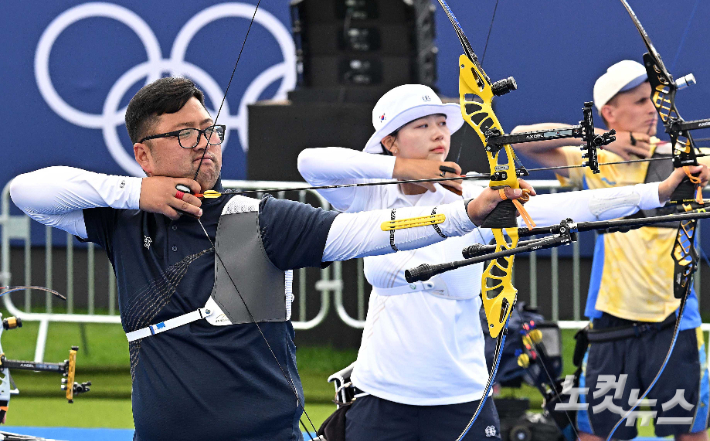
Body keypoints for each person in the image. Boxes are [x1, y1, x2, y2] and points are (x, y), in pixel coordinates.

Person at [9, 77, 535, 441]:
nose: (205, 144)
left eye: (210, 130)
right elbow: (27, 191)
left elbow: (369, 232)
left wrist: (467, 213)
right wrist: (137, 194)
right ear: (143, 153)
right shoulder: (121, 221)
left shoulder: (260, 216)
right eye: (186, 134)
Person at [297, 83, 709, 441]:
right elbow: (310, 162)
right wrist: (407, 169)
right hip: (381, 396)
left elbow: (568, 206)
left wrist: (658, 191)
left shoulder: (476, 196)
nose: (439, 133)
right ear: (390, 141)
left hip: (462, 398)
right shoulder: (370, 195)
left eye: (441, 123)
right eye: (421, 126)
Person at [511, 60, 710, 441]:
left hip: (675, 319)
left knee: (688, 432)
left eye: (653, 100)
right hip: (611, 322)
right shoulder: (595, 159)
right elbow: (519, 138)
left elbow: (703, 165)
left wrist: (693, 165)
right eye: (639, 101)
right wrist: (598, 139)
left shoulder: (677, 153)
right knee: (597, 433)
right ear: (609, 113)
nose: (652, 109)